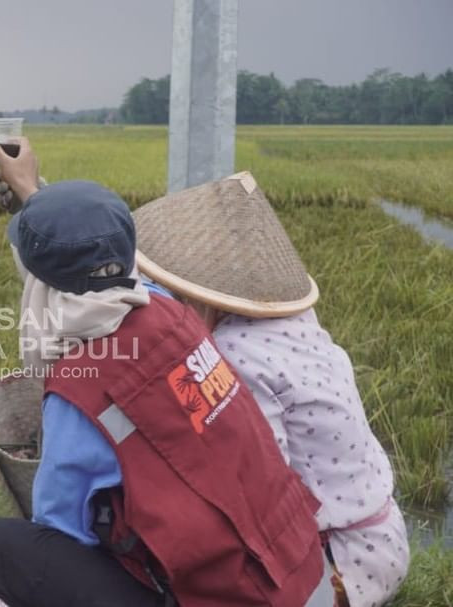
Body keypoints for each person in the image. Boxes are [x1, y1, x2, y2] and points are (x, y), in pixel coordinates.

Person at [0, 138, 331, 607]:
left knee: (4, 548)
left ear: (43, 283)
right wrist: (34, 193)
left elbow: (60, 527)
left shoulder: (77, 387)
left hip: (223, 595)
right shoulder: (170, 310)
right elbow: (89, 265)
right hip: (298, 567)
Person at [132, 172, 409, 607]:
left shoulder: (233, 355)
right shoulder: (300, 325)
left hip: (338, 570)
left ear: (202, 293)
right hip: (384, 540)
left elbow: (263, 491)